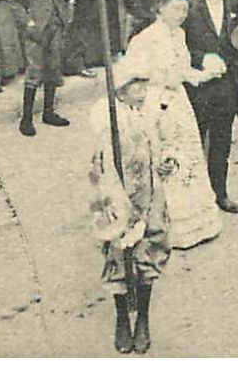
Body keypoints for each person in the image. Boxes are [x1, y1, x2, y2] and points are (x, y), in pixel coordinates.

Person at [125, 0, 222, 249]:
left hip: (178, 100)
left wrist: (203, 74)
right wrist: (165, 82)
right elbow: (135, 76)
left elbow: (183, 68)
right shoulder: (144, 39)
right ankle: (163, 226)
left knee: (187, 155)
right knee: (163, 158)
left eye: (185, 10)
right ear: (160, 8)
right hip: (155, 102)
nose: (182, 14)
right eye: (177, 9)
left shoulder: (178, 34)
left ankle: (195, 224)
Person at [87, 49, 169, 355]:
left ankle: (143, 318)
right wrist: (115, 198)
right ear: (120, 89)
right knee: (117, 254)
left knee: (148, 251)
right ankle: (122, 317)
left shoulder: (152, 113)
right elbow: (100, 162)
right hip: (116, 194)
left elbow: (164, 148)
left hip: (149, 193)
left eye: (146, 85)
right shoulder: (107, 116)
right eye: (138, 86)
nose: (144, 91)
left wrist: (166, 163)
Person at [183, 0, 238, 214]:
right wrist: (201, 59)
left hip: (226, 82)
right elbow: (179, 42)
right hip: (197, 83)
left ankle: (219, 194)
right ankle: (191, 198)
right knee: (193, 139)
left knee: (222, 140)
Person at [12, 0, 73, 136]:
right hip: (36, 30)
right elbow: (15, 2)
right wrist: (28, 22)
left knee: (53, 67)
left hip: (56, 28)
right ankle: (26, 118)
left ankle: (49, 112)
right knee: (35, 69)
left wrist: (67, 16)